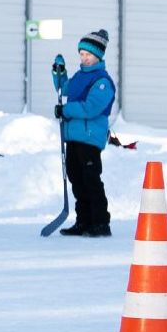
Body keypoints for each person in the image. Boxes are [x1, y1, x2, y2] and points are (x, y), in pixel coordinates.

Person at [57, 29, 118, 237]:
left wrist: (65, 110)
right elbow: (65, 89)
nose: (84, 58)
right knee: (76, 179)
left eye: (88, 55)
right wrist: (59, 73)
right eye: (81, 54)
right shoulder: (80, 76)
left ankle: (100, 223)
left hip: (90, 138)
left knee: (91, 179)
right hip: (73, 137)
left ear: (98, 56)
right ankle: (83, 221)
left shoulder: (103, 81)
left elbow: (90, 108)